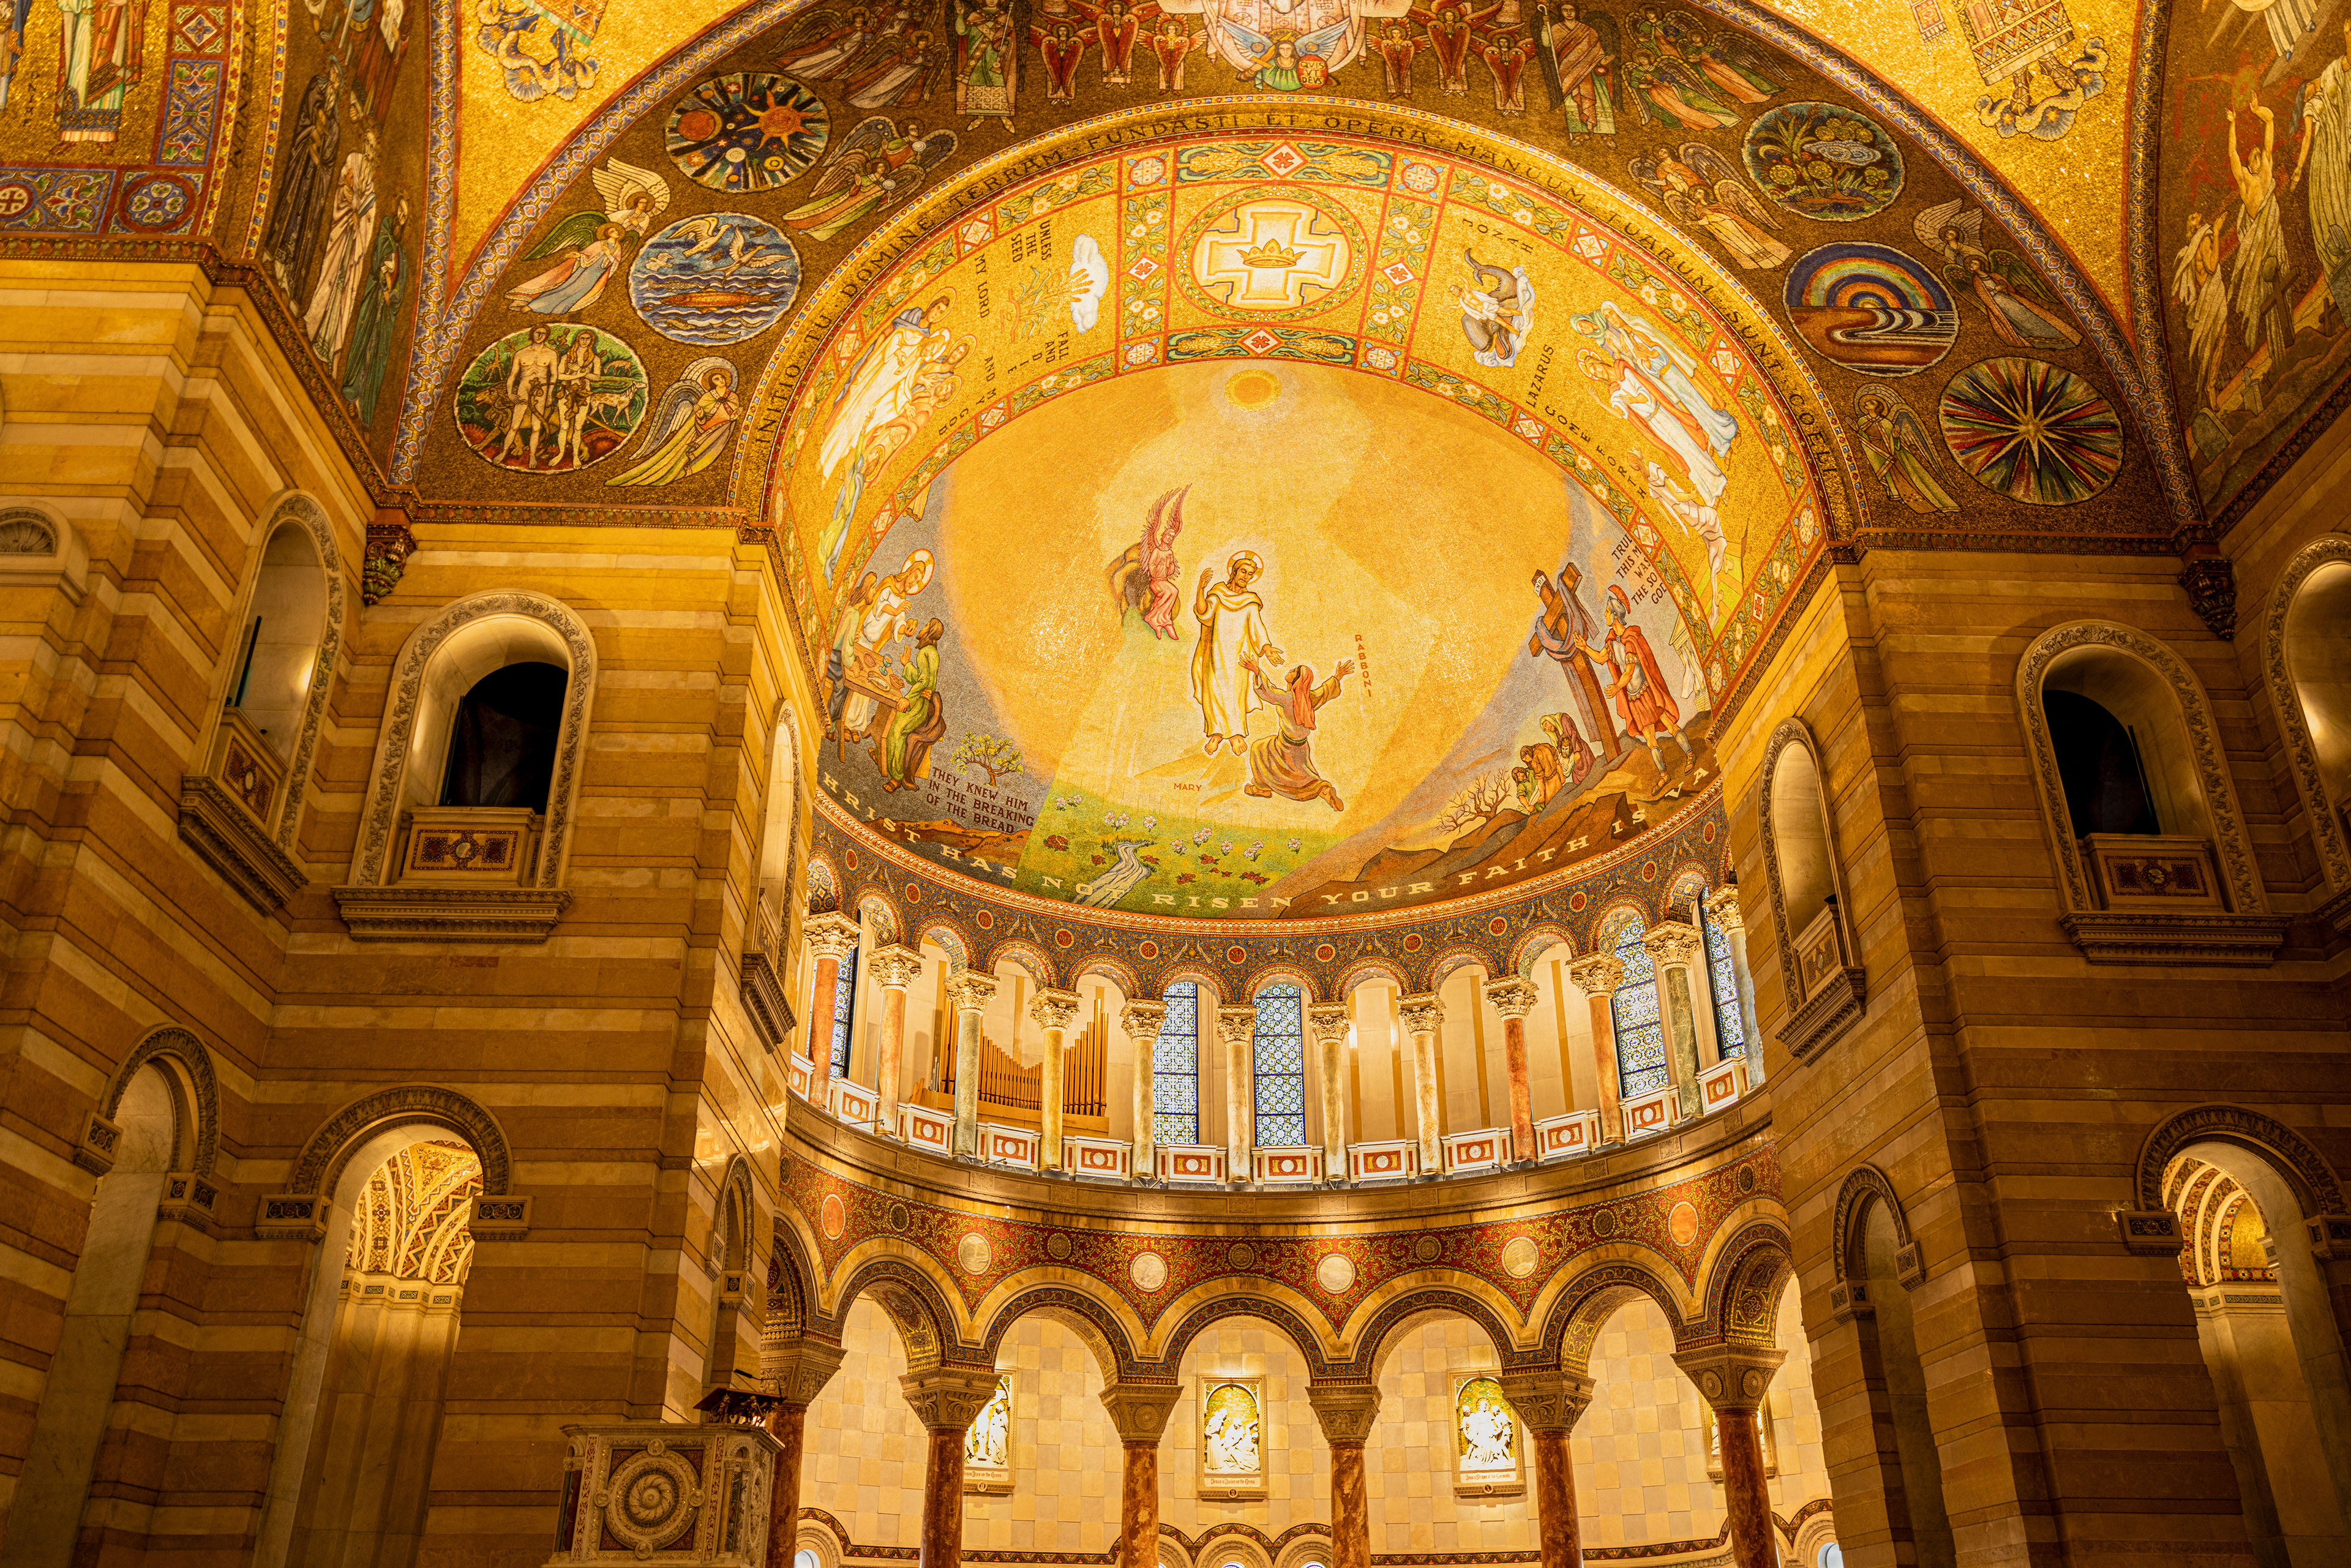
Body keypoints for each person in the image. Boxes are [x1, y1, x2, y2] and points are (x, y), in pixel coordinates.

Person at [1242, 653, 1355, 811]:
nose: (1290, 671)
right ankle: (1325, 791)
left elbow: (1269, 692)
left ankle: (1261, 788)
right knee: (1306, 777)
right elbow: (1326, 691)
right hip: (1302, 747)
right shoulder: (1310, 697)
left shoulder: (1288, 698)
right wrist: (1338, 676)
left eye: (1294, 671)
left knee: (1258, 748)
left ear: (1297, 680)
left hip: (1284, 746)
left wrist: (1256, 671)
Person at [1191, 552, 1278, 756]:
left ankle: (1236, 734)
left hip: (1240, 654)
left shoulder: (1250, 601)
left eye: (1250, 574)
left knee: (1235, 693)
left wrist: (1266, 647)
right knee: (1214, 691)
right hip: (1216, 652)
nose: (1246, 577)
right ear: (1234, 571)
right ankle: (1216, 733)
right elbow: (1204, 613)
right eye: (1243, 572)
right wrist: (1201, 588)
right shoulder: (1219, 592)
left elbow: (1257, 626)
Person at [876, 618, 947, 789]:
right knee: (890, 720)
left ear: (929, 633)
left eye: (924, 627)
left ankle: (897, 777)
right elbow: (923, 680)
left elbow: (924, 682)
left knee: (898, 731)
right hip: (920, 701)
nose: (920, 630)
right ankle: (883, 758)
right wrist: (907, 664)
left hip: (919, 706)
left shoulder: (926, 653)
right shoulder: (930, 652)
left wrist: (908, 699)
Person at [498, 324, 560, 468]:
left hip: (541, 391)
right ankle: (504, 452)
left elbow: (554, 376)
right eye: (537, 333)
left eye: (543, 334)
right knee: (514, 425)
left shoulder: (551, 354)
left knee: (536, 427)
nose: (540, 336)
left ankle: (532, 456)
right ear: (532, 334)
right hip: (523, 389)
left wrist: (550, 394)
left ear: (547, 336)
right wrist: (510, 393)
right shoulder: (521, 353)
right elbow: (513, 375)